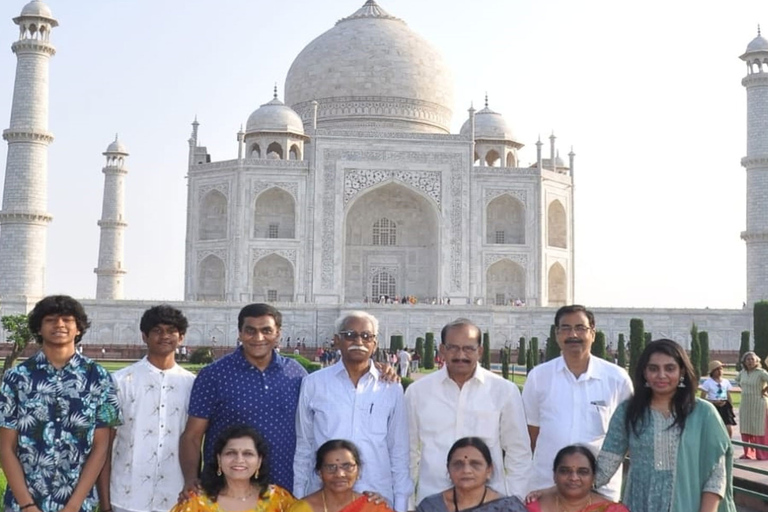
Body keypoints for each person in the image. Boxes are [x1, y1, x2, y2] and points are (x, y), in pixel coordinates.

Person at [0, 295, 122, 512]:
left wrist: (73, 505)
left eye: (67, 320)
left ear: (79, 329)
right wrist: (27, 504)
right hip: (24, 502)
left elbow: (100, 447)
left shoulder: (98, 377)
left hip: (78, 503)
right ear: (38, 328)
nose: (59, 325)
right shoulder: (17, 378)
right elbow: (5, 447)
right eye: (50, 320)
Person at [180, 304, 308, 494]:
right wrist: (191, 478)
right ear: (239, 333)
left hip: (284, 486)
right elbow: (192, 436)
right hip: (227, 489)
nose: (258, 338)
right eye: (250, 331)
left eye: (266, 331)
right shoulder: (214, 375)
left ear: (278, 334)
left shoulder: (295, 373)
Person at [595, 339, 736, 512]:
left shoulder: (703, 413)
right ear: (644, 373)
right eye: (653, 368)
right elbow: (606, 465)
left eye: (670, 368)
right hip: (640, 504)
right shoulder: (629, 411)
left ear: (682, 371)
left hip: (691, 505)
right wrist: (566, 488)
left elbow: (716, 474)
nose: (661, 375)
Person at [294, 311, 411, 512]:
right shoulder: (314, 384)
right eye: (350, 335)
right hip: (324, 495)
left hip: (375, 496)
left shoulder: (390, 387)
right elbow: (304, 445)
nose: (359, 341)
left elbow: (398, 450)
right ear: (337, 341)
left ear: (375, 343)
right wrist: (298, 498)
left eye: (366, 336)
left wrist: (400, 504)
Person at [405, 318, 531, 504]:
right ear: (442, 350)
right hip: (434, 500)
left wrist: (513, 501)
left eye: (468, 348)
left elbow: (518, 451)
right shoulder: (418, 392)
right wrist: (406, 502)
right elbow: (408, 452)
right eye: (453, 348)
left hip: (488, 502)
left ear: (480, 351)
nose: (460, 355)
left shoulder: (503, 390)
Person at [522, 305, 632, 500]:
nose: (573, 334)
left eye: (580, 328)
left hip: (600, 489)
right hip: (547, 485)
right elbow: (532, 433)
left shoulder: (616, 379)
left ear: (593, 333)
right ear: (556, 334)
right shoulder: (539, 377)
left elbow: (626, 436)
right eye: (565, 328)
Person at [97, 305, 196, 512]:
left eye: (171, 331)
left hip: (176, 497)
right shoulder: (120, 381)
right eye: (157, 331)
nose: (164, 336)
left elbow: (195, 439)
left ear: (182, 338)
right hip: (125, 496)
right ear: (144, 336)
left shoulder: (192, 385)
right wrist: (105, 505)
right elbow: (104, 446)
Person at [171, 425, 295, 512]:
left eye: (248, 454)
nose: (239, 460)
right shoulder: (195, 501)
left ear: (259, 461)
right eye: (231, 453)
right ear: (219, 459)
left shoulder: (279, 499)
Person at [416, 437, 527, 512]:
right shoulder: (430, 507)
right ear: (448, 470)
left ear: (489, 469)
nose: (466, 470)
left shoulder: (508, 508)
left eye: (475, 464)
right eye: (458, 464)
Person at [288, 440, 394, 512]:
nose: (339, 474)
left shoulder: (373, 507)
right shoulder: (302, 509)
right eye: (331, 467)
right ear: (320, 472)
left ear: (358, 470)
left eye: (347, 466)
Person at [524, 445, 628, 512]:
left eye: (583, 472)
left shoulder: (612, 510)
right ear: (554, 475)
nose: (574, 478)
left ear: (593, 477)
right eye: (565, 471)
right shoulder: (532, 507)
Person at [735, 351, 768, 459]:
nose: (750, 361)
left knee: (758, 428)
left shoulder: (761, 372)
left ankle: (762, 453)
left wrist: (764, 390)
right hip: (745, 403)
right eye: (747, 359)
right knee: (745, 428)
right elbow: (738, 382)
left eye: (752, 359)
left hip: (759, 403)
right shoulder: (742, 373)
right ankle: (747, 453)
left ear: (757, 361)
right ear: (744, 361)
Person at [699, 360, 736, 438]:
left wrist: (730, 406)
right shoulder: (708, 383)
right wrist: (713, 402)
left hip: (725, 405)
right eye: (717, 369)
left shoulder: (726, 382)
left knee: (728, 426)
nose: (720, 371)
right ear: (712, 371)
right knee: (714, 426)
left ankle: (729, 441)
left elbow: (728, 395)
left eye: (721, 369)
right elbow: (702, 398)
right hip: (713, 406)